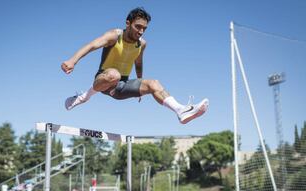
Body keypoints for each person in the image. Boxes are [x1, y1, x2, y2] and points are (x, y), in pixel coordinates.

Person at [61, 7, 208, 124]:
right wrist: (73, 60)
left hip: (122, 86)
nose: (141, 31)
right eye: (138, 27)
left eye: (144, 28)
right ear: (128, 23)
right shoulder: (114, 36)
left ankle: (181, 110)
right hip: (104, 80)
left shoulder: (141, 44)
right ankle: (85, 96)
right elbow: (92, 45)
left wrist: (139, 84)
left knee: (154, 83)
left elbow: (138, 62)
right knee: (114, 75)